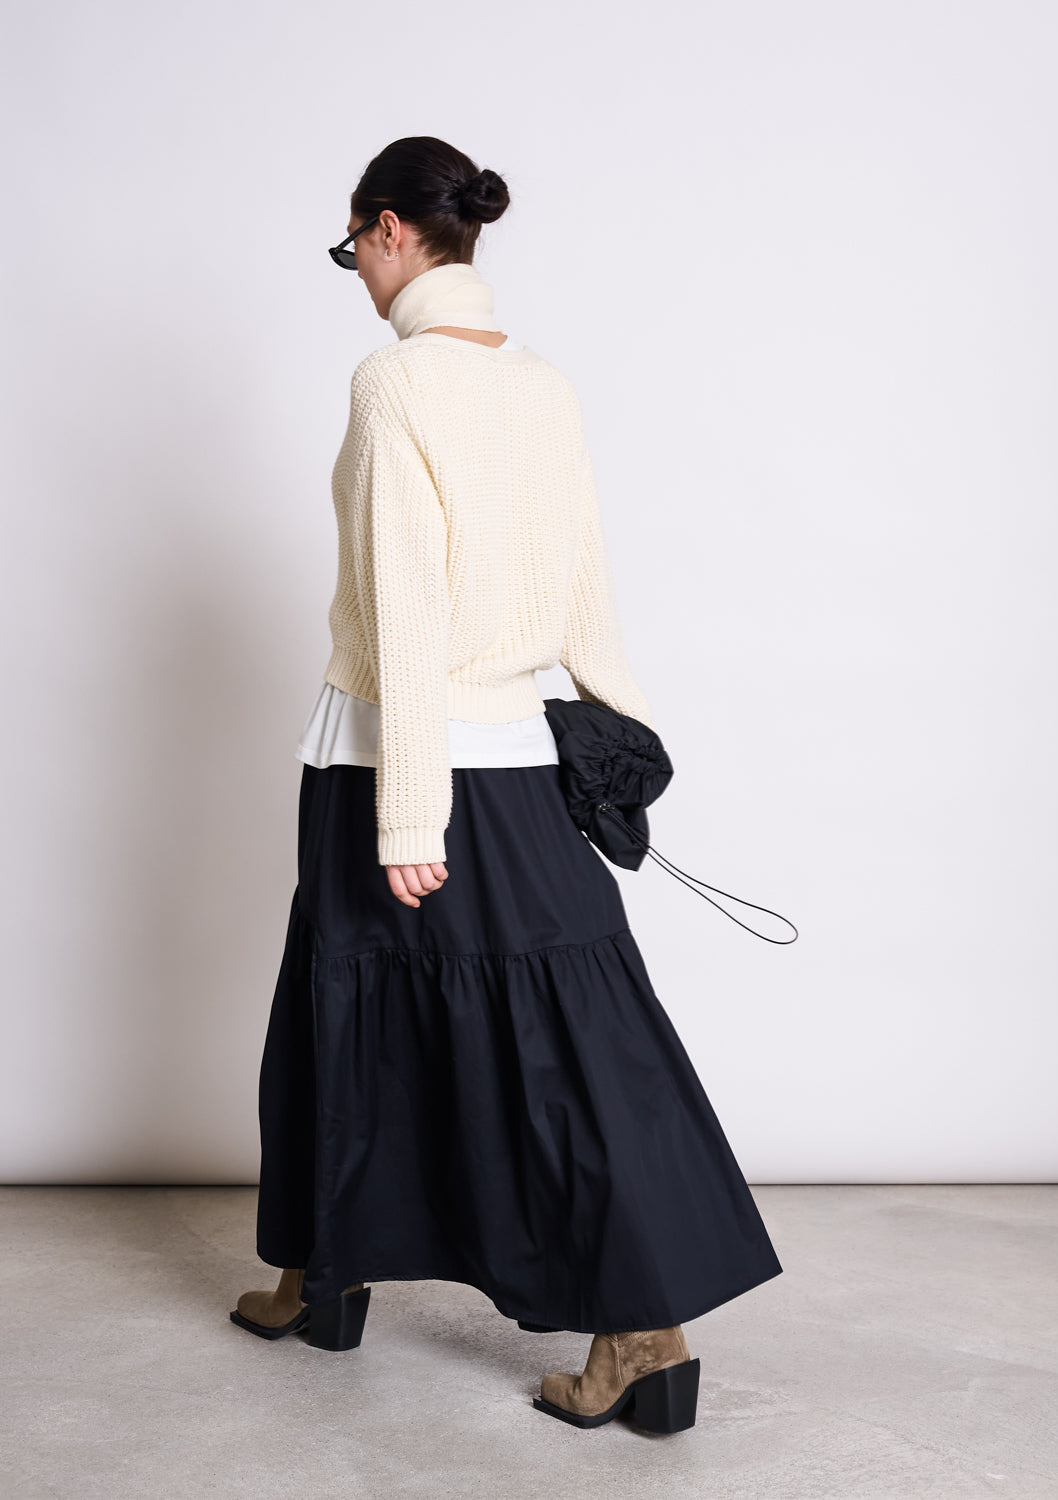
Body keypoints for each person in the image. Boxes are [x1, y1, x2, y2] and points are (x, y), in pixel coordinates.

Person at [230, 135, 782, 1434]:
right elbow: (585, 580)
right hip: (503, 757)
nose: (356, 272)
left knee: (508, 1040)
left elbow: (404, 608)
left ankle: (639, 1331)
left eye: (352, 250)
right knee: (371, 1012)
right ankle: (320, 1271)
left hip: (404, 765)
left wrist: (409, 810)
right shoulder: (542, 386)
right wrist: (624, 737)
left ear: (384, 233)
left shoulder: (394, 383)